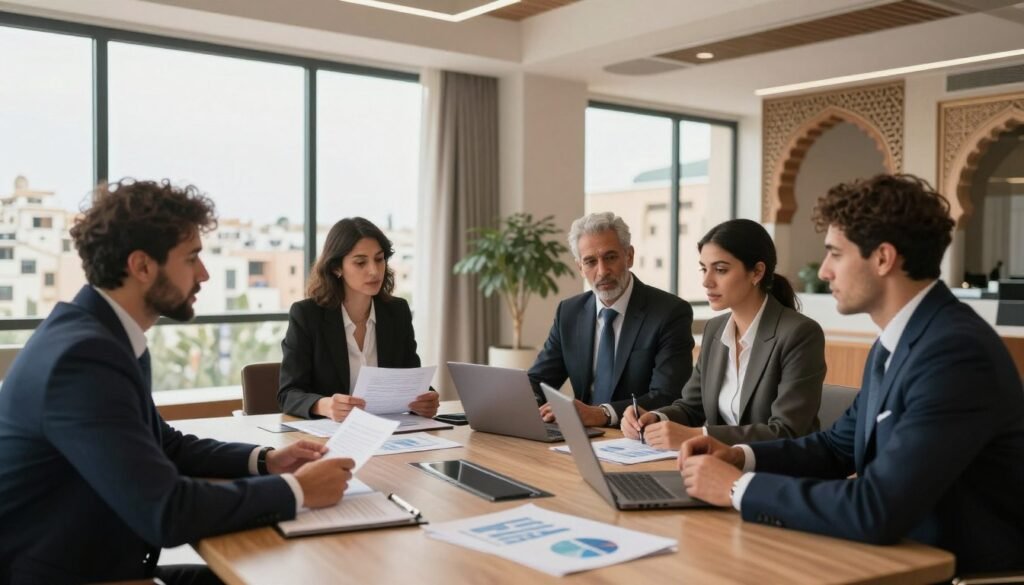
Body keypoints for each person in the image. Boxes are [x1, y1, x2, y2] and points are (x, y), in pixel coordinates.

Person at [0, 179, 354, 585]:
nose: (203, 273)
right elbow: (166, 512)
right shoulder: (82, 359)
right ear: (142, 266)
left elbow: (162, 444)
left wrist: (265, 460)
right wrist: (297, 490)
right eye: (191, 258)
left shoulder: (104, 335)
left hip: (95, 562)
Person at [678, 174, 1024, 573]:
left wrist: (736, 488)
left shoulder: (955, 354)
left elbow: (876, 507)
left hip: (944, 570)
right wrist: (739, 456)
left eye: (835, 254)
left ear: (883, 258)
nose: (824, 271)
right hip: (889, 557)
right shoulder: (895, 342)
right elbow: (834, 448)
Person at [621, 219, 826, 449]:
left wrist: (695, 436)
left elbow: (786, 431)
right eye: (703, 268)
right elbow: (691, 407)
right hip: (720, 466)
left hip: (780, 473)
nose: (706, 281)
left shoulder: (799, 334)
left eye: (720, 270)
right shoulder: (715, 330)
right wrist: (656, 418)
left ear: (757, 272)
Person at [528, 212, 695, 427]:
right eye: (590, 262)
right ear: (580, 267)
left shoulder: (670, 312)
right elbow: (537, 381)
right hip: (581, 437)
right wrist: (529, 406)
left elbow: (667, 396)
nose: (602, 271)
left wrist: (602, 414)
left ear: (629, 256)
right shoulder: (569, 312)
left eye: (610, 257)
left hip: (640, 440)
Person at [278, 217, 438, 421]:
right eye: (360, 262)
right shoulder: (307, 315)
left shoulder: (397, 312)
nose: (374, 270)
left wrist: (426, 399)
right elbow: (288, 394)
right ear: (337, 267)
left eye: (379, 259)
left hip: (390, 433)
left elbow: (410, 379)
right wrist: (325, 406)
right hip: (327, 437)